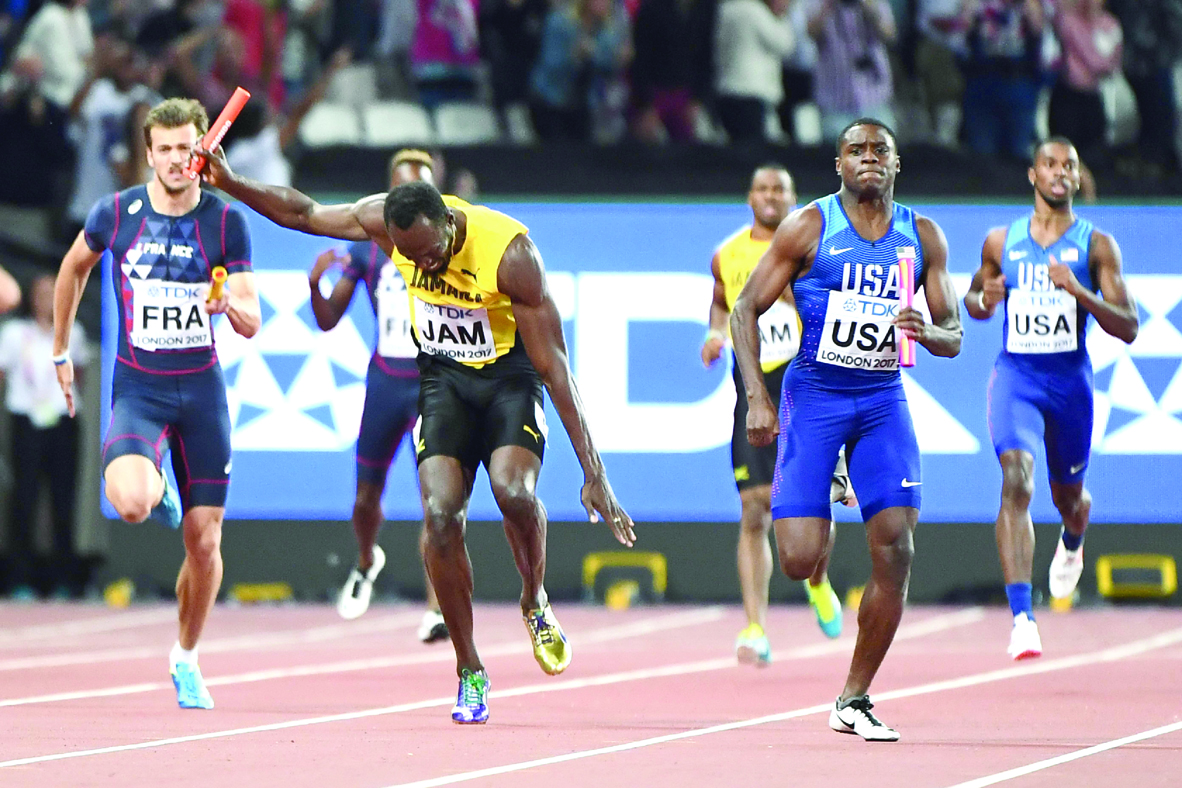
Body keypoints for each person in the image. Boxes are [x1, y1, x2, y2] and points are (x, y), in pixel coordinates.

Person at [198, 146, 635, 726]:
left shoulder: (511, 255)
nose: (423, 269)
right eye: (410, 260)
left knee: (515, 493)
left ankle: (534, 598)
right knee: (438, 515)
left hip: (508, 380)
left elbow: (555, 367)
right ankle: (470, 670)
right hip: (445, 382)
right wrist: (229, 181)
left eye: (430, 255)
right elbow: (301, 213)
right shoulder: (384, 222)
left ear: (451, 226)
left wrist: (594, 473)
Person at [730, 118, 962, 741]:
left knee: (896, 546)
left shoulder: (923, 235)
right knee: (798, 562)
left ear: (895, 162)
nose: (867, 159)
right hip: (815, 398)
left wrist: (928, 330)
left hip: (883, 400)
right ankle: (827, 488)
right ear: (838, 165)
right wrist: (757, 396)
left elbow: (954, 334)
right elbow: (745, 307)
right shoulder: (810, 226)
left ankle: (854, 697)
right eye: (855, 151)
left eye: (878, 150)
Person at [52, 97, 262, 709]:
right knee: (134, 503)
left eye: (185, 148)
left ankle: (187, 655)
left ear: (203, 151)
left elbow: (252, 318)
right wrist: (62, 350)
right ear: (149, 154)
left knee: (204, 543)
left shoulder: (226, 222)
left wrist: (230, 307)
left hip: (200, 395)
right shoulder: (116, 213)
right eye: (164, 149)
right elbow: (73, 268)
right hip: (140, 390)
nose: (175, 159)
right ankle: (157, 482)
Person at [963, 137, 1138, 660]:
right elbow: (974, 301)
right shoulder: (1001, 240)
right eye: (1050, 164)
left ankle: (1074, 535)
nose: (1060, 173)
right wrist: (983, 299)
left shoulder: (1096, 245)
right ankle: (1022, 617)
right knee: (1016, 479)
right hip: (1016, 377)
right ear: (1032, 175)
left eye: (1069, 166)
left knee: (1069, 499)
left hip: (1070, 385)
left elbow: (1128, 326)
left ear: (1078, 178)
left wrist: (1081, 293)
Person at [701, 164, 856, 666]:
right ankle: (755, 627)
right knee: (754, 509)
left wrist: (796, 295)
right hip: (752, 393)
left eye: (780, 190)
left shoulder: (812, 249)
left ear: (793, 197)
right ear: (750, 197)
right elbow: (723, 302)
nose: (771, 197)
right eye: (763, 189)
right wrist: (715, 333)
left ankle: (817, 578)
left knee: (815, 505)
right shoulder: (726, 254)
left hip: (807, 388)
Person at [309, 148, 447, 644]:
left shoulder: (448, 245)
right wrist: (314, 283)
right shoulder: (370, 248)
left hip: (432, 386)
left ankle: (437, 608)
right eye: (401, 190)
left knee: (438, 502)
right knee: (366, 497)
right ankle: (367, 559)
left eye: (421, 190)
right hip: (386, 385)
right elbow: (327, 320)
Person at [0, 275, 86, 600]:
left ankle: (65, 580)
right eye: (41, 293)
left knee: (63, 501)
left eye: (54, 293)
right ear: (31, 297)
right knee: (23, 500)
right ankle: (19, 579)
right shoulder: (13, 334)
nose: (46, 299)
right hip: (25, 422)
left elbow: (82, 377)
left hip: (63, 423)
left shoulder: (73, 333)